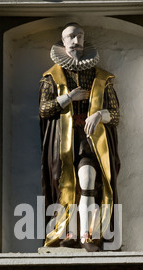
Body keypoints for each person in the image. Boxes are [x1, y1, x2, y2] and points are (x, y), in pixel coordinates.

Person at [39, 23, 120, 251]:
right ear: (63, 42)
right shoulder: (51, 77)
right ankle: (68, 232)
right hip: (62, 141)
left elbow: (115, 114)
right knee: (66, 184)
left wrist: (100, 115)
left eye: (79, 36)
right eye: (71, 36)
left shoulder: (100, 77)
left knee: (87, 181)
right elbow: (44, 110)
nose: (76, 40)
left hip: (89, 139)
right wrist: (68, 98)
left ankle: (90, 235)